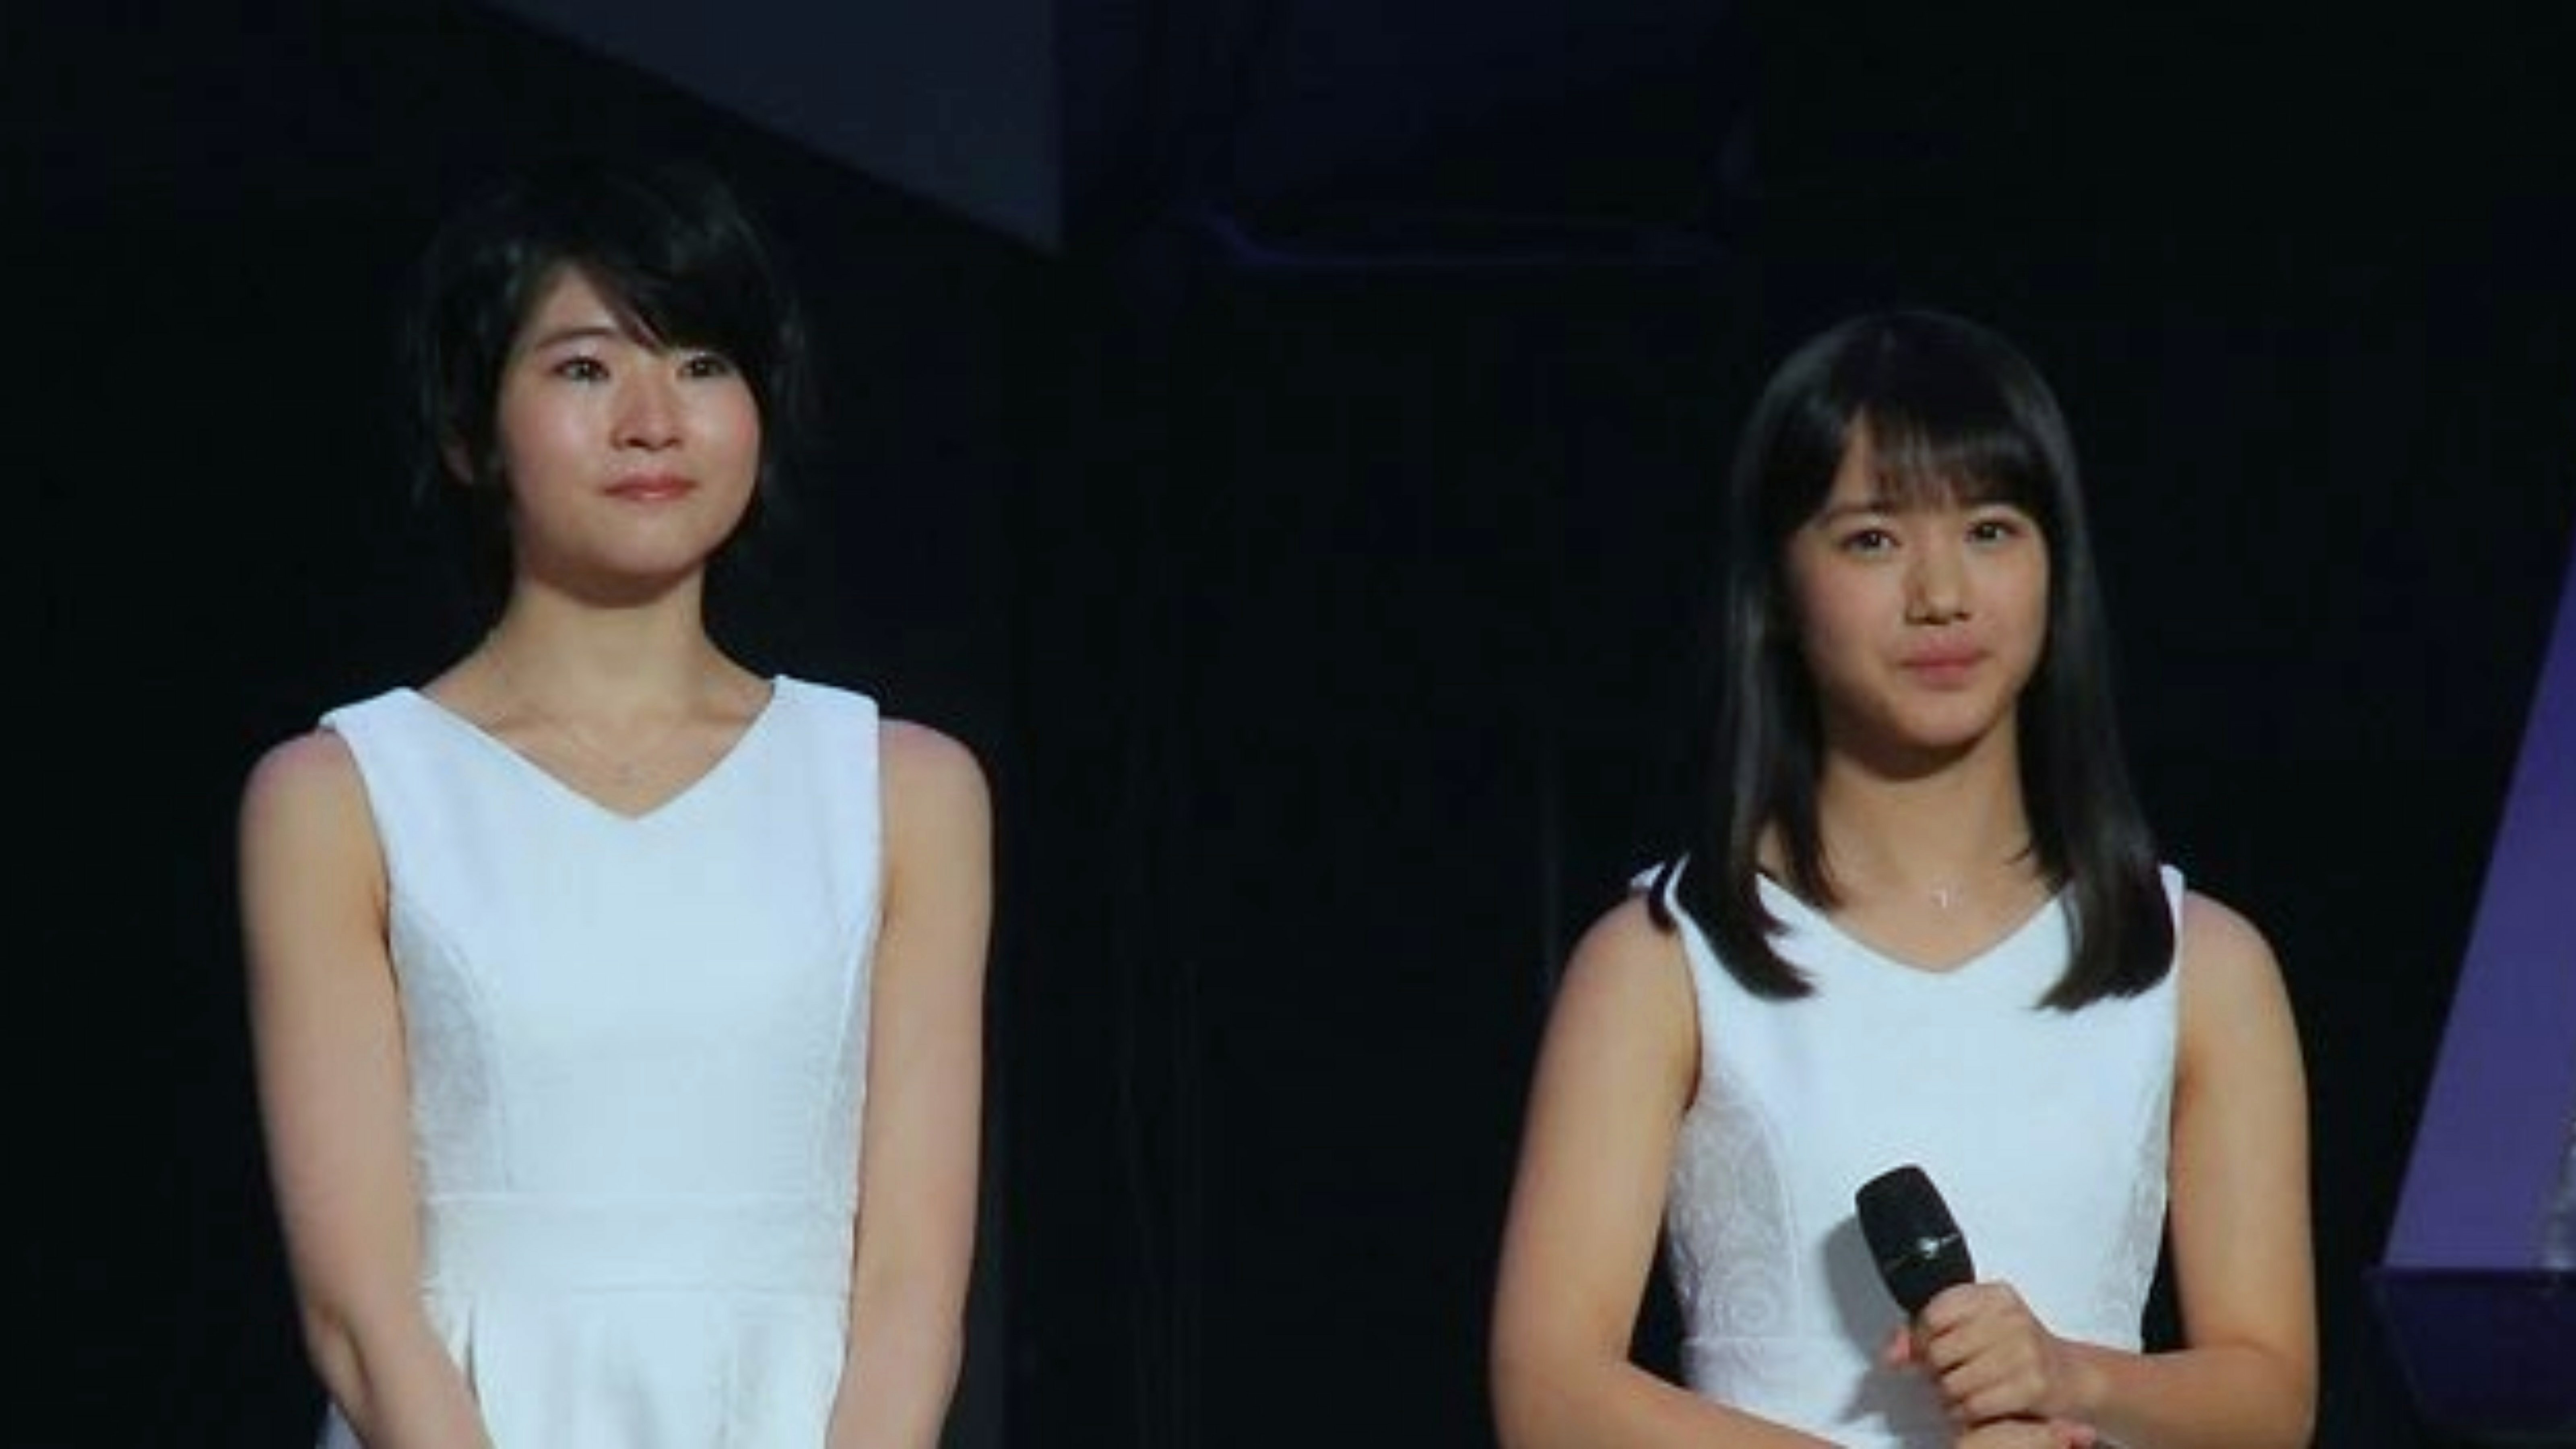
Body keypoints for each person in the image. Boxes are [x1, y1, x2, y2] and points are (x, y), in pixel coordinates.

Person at [237, 155, 991, 1448]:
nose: (654, 420)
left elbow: (913, 1289)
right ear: (472, 428)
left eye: (702, 364)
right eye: (586, 369)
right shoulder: (342, 795)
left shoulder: (900, 789)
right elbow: (360, 1310)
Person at [1488, 310, 2315, 1448]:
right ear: (1779, 587)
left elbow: (2271, 1398)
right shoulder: (1663, 960)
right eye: (1873, 539)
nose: (1942, 595)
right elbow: (1550, 1393)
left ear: (2056, 566)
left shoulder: (2199, 964)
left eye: (1990, 530)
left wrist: (2070, 1378)